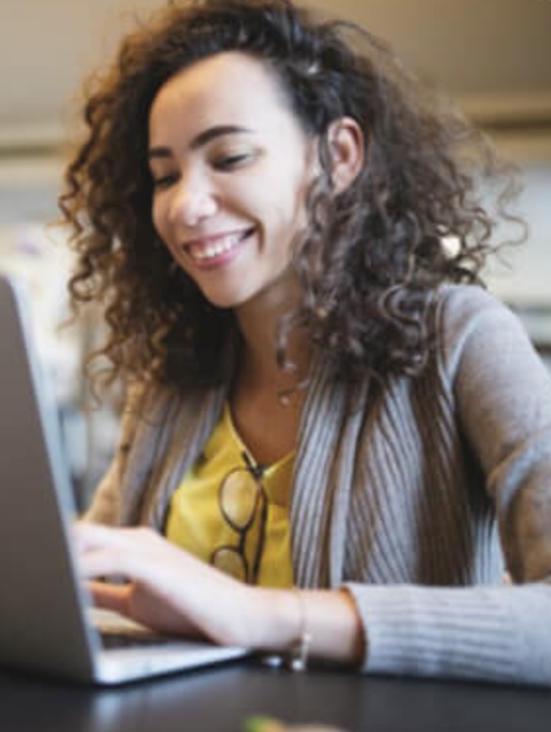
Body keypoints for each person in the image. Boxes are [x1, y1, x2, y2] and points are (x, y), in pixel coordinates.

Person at [59, 0, 551, 685]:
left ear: (338, 155)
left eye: (228, 156)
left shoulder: (461, 338)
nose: (184, 205)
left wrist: (257, 613)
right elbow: (93, 577)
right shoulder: (172, 379)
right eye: (165, 175)